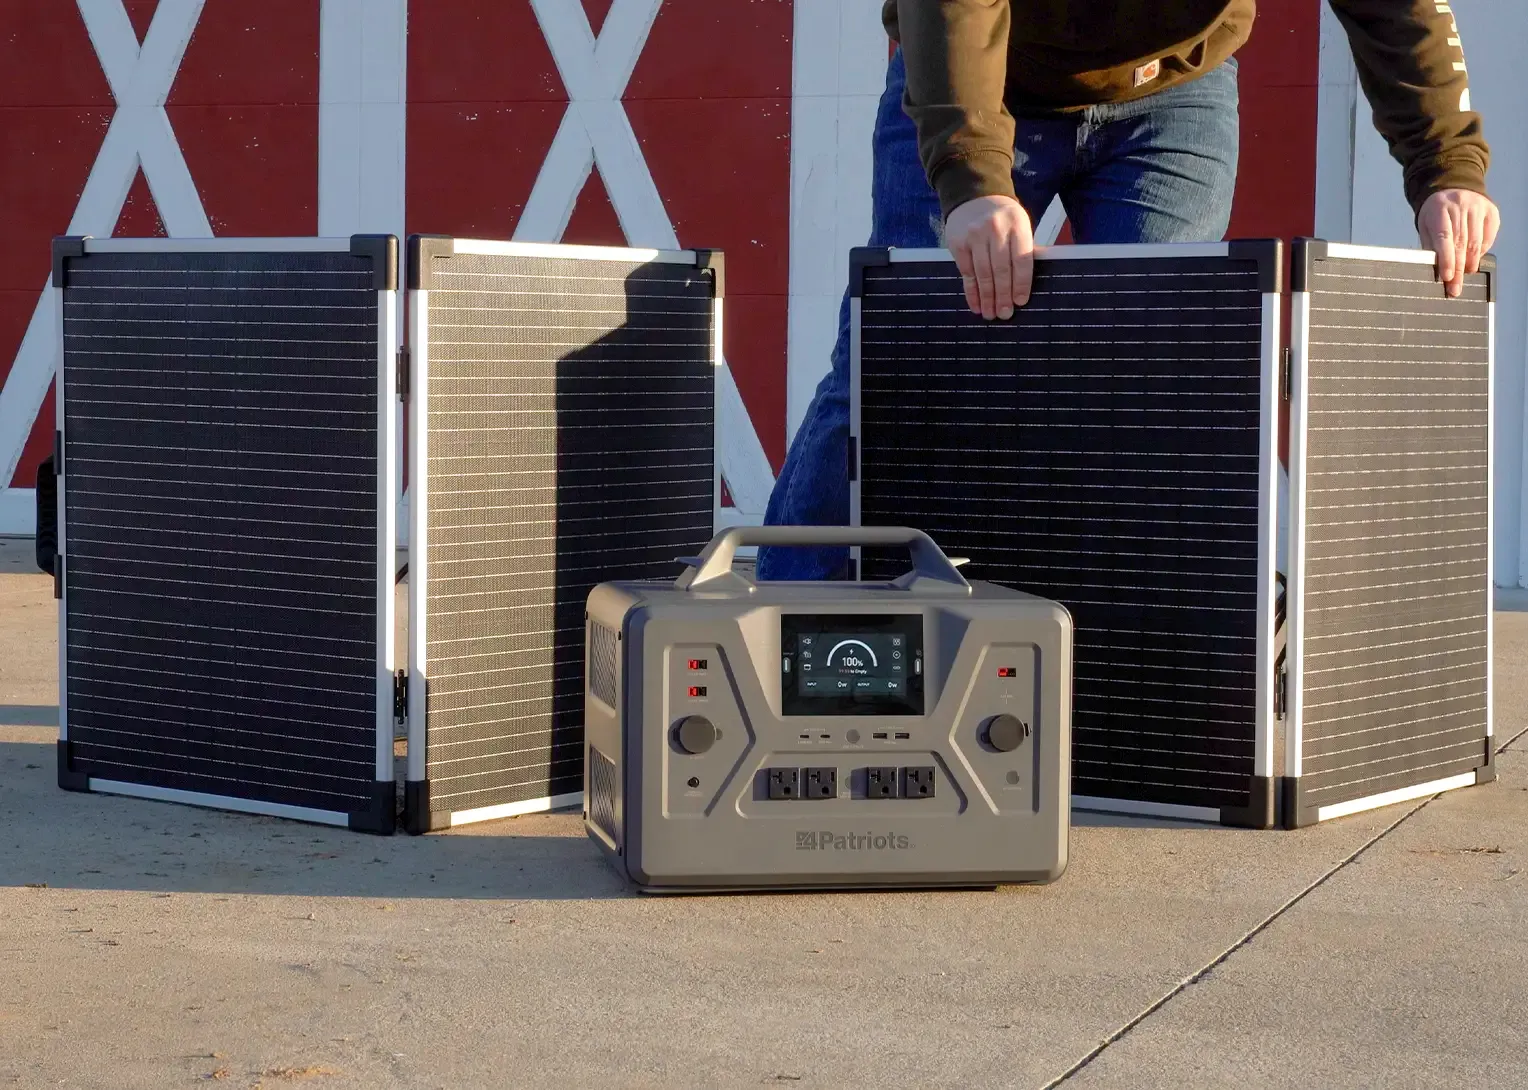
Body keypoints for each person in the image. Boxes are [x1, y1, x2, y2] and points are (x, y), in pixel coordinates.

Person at [757, 0, 1502, 581]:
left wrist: (1446, 166)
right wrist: (972, 175)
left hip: (1175, 93)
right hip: (988, 76)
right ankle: (770, 624)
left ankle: (1123, 682)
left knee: (1151, 386)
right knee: (894, 361)